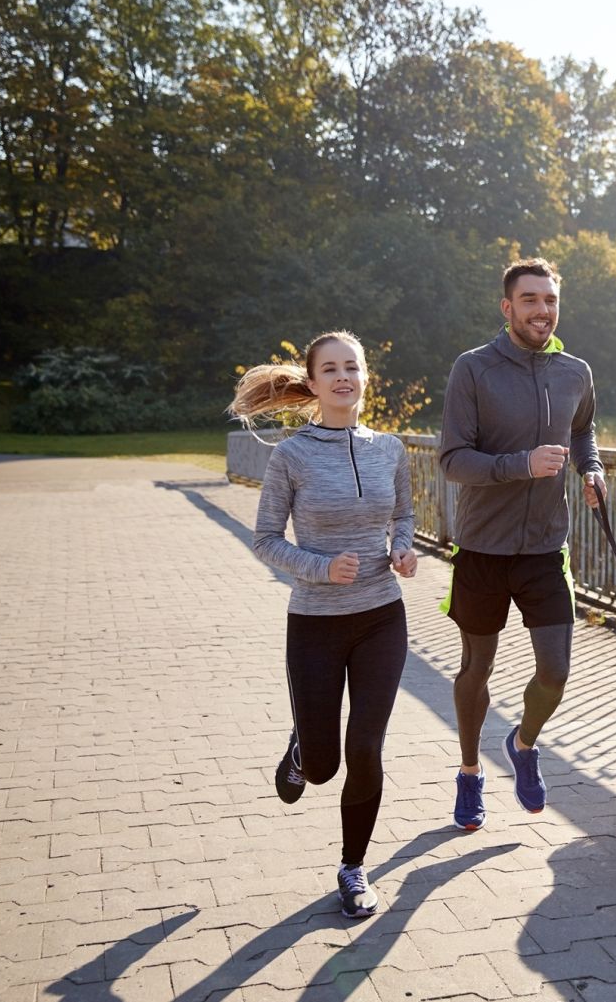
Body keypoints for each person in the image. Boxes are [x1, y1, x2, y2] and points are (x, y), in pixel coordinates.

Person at [228, 330, 418, 919]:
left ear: (365, 378)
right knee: (323, 765)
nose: (343, 377)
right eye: (330, 369)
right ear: (312, 383)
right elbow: (264, 539)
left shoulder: (390, 449)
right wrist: (321, 568)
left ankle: (353, 867)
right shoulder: (291, 456)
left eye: (352, 367)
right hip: (315, 623)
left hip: (381, 618)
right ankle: (301, 752)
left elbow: (404, 514)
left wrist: (403, 549)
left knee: (365, 748)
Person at [438, 257, 606, 831]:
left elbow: (582, 430)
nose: (542, 310)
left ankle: (523, 743)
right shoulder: (473, 369)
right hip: (482, 549)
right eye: (530, 299)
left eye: (550, 300)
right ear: (507, 307)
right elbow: (453, 460)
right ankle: (469, 772)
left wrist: (590, 469)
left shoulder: (575, 372)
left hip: (545, 548)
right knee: (476, 669)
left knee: (555, 672)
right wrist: (522, 465)